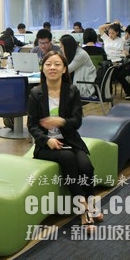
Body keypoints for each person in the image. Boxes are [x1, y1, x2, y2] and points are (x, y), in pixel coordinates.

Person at [27, 51, 102, 233]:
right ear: (43, 69)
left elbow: (77, 121)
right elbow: (32, 125)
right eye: (48, 64)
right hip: (46, 145)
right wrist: (47, 140)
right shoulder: (36, 93)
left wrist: (61, 122)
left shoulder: (72, 91)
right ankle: (84, 210)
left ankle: (91, 202)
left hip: (70, 140)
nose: (52, 68)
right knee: (68, 158)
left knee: (85, 166)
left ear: (64, 69)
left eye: (57, 64)